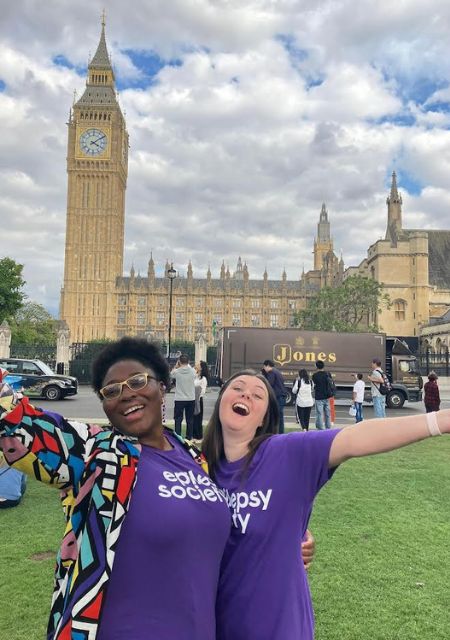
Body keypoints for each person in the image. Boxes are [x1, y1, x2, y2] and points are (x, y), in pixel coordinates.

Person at [0, 337, 231, 640]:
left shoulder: (195, 457)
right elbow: (18, 424)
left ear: (163, 385)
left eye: (137, 381)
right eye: (111, 391)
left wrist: (290, 542)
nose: (125, 394)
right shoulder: (96, 452)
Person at [202, 369, 450, 640]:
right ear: (222, 399)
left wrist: (441, 421)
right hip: (214, 624)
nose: (246, 393)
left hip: (277, 627)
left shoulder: (287, 453)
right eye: (237, 388)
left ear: (264, 418)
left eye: (258, 394)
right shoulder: (194, 469)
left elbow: (355, 439)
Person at [171, 353, 196, 439]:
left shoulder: (176, 372)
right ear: (188, 361)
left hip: (179, 398)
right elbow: (194, 375)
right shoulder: (193, 371)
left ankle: (178, 437)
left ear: (179, 361)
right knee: (190, 419)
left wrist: (176, 366)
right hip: (190, 398)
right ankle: (189, 437)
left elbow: (171, 374)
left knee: (178, 419)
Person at [262, 359, 287, 433]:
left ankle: (276, 432)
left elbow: (269, 384)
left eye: (264, 367)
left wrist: (264, 376)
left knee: (276, 415)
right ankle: (280, 432)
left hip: (277, 396)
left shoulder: (271, 372)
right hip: (281, 395)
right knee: (279, 416)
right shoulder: (277, 372)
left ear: (267, 366)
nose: (264, 369)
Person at [311, 359, 333, 429]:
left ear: (317, 367)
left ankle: (320, 428)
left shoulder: (314, 375)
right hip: (327, 396)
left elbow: (314, 385)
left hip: (319, 396)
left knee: (319, 414)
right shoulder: (328, 374)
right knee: (327, 413)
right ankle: (328, 427)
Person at [193, 360, 209, 442]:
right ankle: (193, 435)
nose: (197, 365)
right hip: (193, 399)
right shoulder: (195, 376)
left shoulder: (203, 379)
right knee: (193, 418)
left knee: (198, 417)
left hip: (198, 399)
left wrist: (197, 397)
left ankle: (199, 436)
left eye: (199, 365)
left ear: (202, 368)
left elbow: (202, 390)